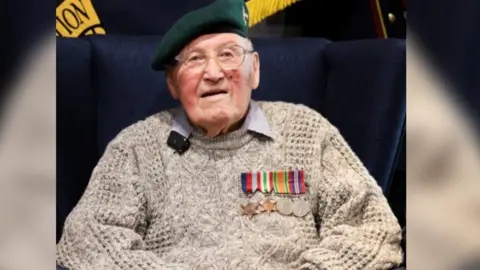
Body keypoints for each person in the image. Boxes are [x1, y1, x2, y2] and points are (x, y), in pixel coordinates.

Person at [56, 0, 403, 268]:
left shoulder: (307, 132)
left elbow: (372, 226)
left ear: (255, 71)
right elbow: (87, 237)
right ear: (173, 84)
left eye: (228, 55)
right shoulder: (136, 146)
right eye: (193, 59)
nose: (214, 73)